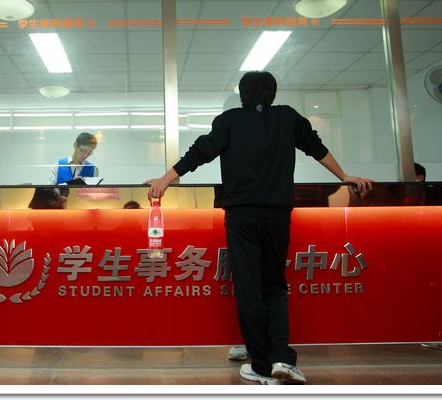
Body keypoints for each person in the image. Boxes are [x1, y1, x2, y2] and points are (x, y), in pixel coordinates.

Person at [145, 71, 373, 385]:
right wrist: (344, 176)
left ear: (242, 95)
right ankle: (283, 359)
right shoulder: (288, 118)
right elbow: (315, 147)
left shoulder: (229, 121)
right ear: (272, 94)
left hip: (241, 217)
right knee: (275, 286)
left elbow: (199, 153)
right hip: (278, 217)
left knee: (249, 289)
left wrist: (165, 179)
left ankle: (262, 366)